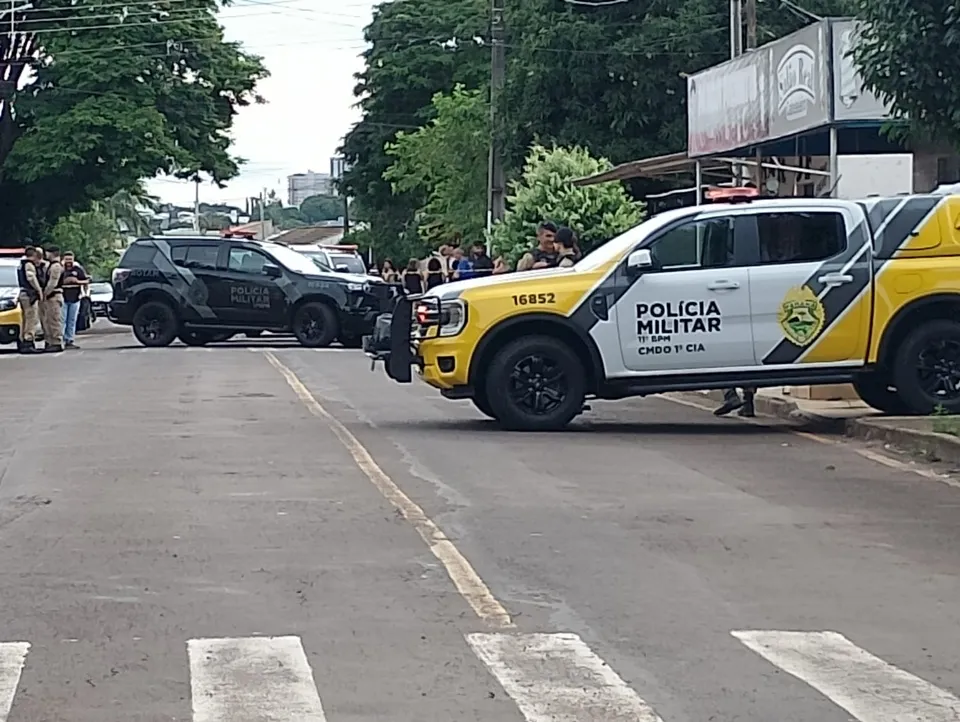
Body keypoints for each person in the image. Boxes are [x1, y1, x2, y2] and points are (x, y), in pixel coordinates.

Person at [16, 246, 44, 354]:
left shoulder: (21, 264)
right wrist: (39, 290)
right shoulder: (29, 264)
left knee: (25, 318)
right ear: (34, 254)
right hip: (29, 294)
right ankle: (28, 340)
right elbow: (31, 278)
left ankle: (22, 339)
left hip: (23, 293)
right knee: (31, 319)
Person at [60, 251, 89, 349]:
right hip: (63, 298)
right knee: (62, 320)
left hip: (75, 298)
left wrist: (77, 281)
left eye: (70, 259)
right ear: (63, 259)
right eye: (67, 259)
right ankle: (60, 340)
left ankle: (69, 340)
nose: (68, 261)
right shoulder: (60, 270)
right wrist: (64, 282)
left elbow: (86, 281)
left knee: (72, 320)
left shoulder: (78, 270)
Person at [40, 246, 64, 352]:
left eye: (47, 253)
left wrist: (45, 293)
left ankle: (56, 341)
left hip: (54, 295)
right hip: (51, 296)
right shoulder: (51, 265)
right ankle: (50, 341)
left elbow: (53, 282)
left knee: (54, 320)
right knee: (48, 320)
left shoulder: (56, 266)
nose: (46, 255)